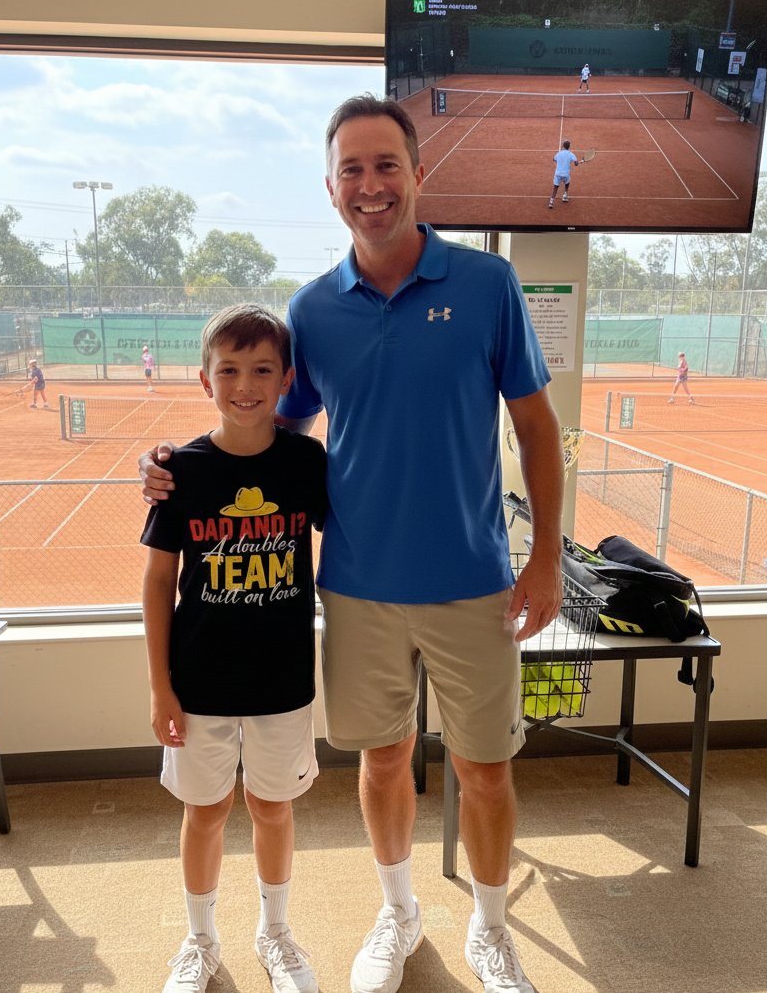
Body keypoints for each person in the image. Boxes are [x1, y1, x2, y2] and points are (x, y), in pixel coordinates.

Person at [140, 93, 564, 993]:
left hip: (474, 580)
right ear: (330, 187)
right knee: (382, 759)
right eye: (351, 170)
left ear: (418, 173)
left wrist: (545, 557)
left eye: (385, 165)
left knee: (485, 770)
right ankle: (399, 912)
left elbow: (536, 427)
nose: (370, 186)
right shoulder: (311, 310)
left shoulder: (487, 285)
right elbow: (266, 432)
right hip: (358, 585)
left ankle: (490, 931)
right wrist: (178, 467)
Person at [141, 303, 327, 993]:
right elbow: (158, 581)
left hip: (282, 679)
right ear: (204, 379)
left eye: (262, 370)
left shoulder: (307, 463)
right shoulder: (181, 470)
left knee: (272, 807)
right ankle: (199, 941)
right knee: (206, 812)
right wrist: (160, 686)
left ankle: (275, 932)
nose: (245, 385)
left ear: (286, 380)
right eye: (228, 370)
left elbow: (361, 520)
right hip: (198, 682)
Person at [549, 139, 579, 209]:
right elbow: (576, 163)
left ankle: (551, 202)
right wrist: (576, 163)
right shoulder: (571, 154)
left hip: (558, 174)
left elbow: (554, 159)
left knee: (555, 187)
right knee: (567, 182)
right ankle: (565, 194)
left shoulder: (559, 153)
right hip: (566, 174)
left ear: (563, 146)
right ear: (569, 146)